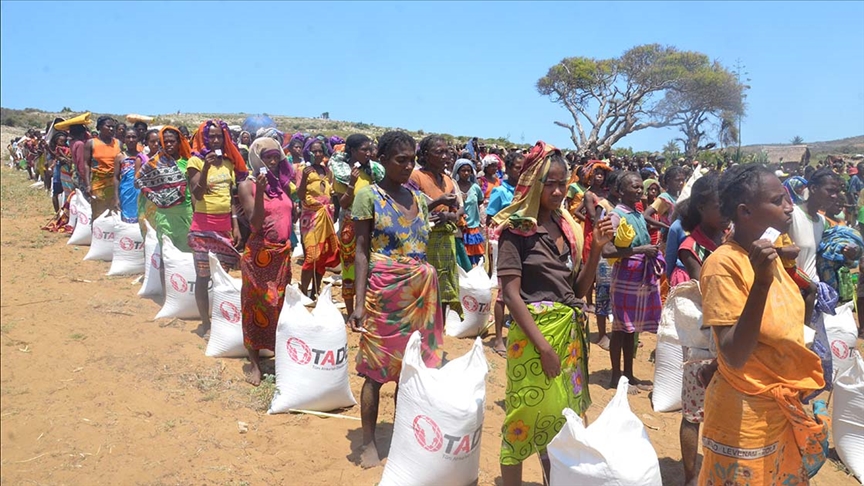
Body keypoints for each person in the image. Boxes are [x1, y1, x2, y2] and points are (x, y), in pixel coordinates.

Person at [699, 164, 829, 485]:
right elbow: (735, 354)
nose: (789, 206)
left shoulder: (771, 256)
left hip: (779, 409)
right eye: (777, 200)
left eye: (786, 197)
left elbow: (776, 330)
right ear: (745, 211)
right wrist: (760, 282)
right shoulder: (724, 264)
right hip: (745, 417)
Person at [493, 141, 613, 486]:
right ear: (535, 184)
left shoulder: (567, 229)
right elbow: (512, 296)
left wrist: (596, 252)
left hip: (567, 337)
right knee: (522, 420)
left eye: (563, 183)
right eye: (551, 184)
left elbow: (576, 291)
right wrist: (544, 348)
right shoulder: (516, 233)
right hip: (534, 341)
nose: (560, 191)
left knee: (561, 422)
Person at [347, 131, 444, 469]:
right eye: (400, 160)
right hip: (383, 295)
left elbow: (421, 244)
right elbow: (360, 253)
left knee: (411, 370)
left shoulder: (416, 196)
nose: (407, 166)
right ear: (383, 160)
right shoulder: (368, 197)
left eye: (411, 160)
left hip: (418, 296)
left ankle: (403, 435)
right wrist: (358, 304)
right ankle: (369, 442)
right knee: (374, 372)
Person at [673, 174, 726, 486]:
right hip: (703, 339)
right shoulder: (691, 246)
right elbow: (708, 290)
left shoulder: (728, 240)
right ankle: (691, 476)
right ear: (703, 207)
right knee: (693, 412)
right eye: (721, 206)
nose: (727, 213)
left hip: (727, 336)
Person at [238, 137, 295, 386]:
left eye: (275, 156)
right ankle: (254, 362)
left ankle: (278, 354)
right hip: (259, 256)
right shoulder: (247, 186)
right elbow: (255, 222)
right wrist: (260, 192)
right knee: (255, 306)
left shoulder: (283, 186)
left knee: (279, 306)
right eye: (267, 157)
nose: (272, 161)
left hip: (281, 255)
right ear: (258, 160)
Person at [602, 171, 664, 393]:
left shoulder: (636, 213)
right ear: (620, 191)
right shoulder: (616, 215)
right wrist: (641, 249)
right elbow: (608, 250)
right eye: (634, 187)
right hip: (626, 276)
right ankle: (616, 377)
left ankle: (628, 374)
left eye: (641, 187)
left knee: (631, 329)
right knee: (620, 329)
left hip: (639, 277)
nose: (640, 191)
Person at [187, 120, 244, 336]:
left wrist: (235, 225)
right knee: (203, 276)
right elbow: (197, 194)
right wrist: (207, 166)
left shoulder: (228, 163)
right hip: (202, 226)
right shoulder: (195, 162)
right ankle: (206, 323)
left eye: (219, 136)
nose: (215, 140)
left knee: (223, 277)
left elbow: (230, 197)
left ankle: (222, 320)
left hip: (224, 228)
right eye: (211, 136)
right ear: (203, 138)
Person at [331, 134, 384, 317]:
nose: (369, 153)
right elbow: (344, 203)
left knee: (370, 265)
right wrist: (352, 184)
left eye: (370, 150)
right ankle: (351, 310)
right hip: (350, 225)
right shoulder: (343, 174)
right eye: (364, 150)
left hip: (370, 222)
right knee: (350, 267)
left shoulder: (371, 172)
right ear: (353, 151)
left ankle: (366, 308)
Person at [410, 135, 463, 315]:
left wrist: (450, 215)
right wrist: (436, 202)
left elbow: (459, 210)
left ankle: (440, 324)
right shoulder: (416, 177)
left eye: (447, 152)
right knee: (425, 282)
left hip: (446, 240)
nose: (445, 156)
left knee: (445, 281)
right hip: (425, 240)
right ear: (425, 154)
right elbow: (408, 208)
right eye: (438, 152)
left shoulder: (448, 180)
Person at [487, 151, 524, 357]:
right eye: (518, 167)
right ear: (508, 169)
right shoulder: (501, 191)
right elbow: (491, 218)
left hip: (524, 244)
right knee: (503, 293)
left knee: (520, 291)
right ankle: (499, 338)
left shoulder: (526, 191)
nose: (521, 171)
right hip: (507, 244)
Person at [135, 126, 193, 252]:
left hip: (185, 212)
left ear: (179, 142)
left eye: (172, 141)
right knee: (166, 252)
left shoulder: (188, 162)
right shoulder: (155, 162)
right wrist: (153, 195)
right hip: (164, 213)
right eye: (165, 142)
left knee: (187, 253)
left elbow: (193, 188)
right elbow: (138, 181)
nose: (168, 144)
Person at [297, 139, 340, 300]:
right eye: (313, 151)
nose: (317, 154)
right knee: (311, 255)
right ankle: (302, 292)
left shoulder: (328, 171)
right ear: (308, 152)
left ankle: (315, 291)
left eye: (320, 151)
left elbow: (331, 195)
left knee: (322, 256)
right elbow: (300, 196)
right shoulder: (304, 170)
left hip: (326, 216)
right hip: (311, 217)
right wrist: (305, 178)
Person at [84, 116, 121, 219]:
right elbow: (86, 165)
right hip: (98, 183)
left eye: (113, 127)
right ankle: (97, 233)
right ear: (99, 127)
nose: (111, 129)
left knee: (114, 212)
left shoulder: (118, 143)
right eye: (108, 126)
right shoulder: (91, 143)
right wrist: (87, 185)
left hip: (114, 183)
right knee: (98, 212)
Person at [454, 158, 486, 266]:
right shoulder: (454, 187)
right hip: (458, 226)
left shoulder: (475, 187)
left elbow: (480, 201)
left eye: (469, 170)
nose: (466, 173)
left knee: (474, 256)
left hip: (472, 226)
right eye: (463, 170)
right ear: (457, 171)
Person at [112, 129, 143, 223]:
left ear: (138, 139)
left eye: (134, 137)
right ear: (124, 139)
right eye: (128, 137)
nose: (131, 139)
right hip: (126, 193)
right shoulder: (120, 157)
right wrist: (116, 197)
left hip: (140, 193)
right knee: (127, 220)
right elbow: (116, 177)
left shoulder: (143, 156)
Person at [643, 166, 685, 231]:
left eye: (683, 180)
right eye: (677, 180)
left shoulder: (680, 196)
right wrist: (666, 226)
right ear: (668, 180)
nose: (681, 183)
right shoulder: (665, 198)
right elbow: (646, 215)